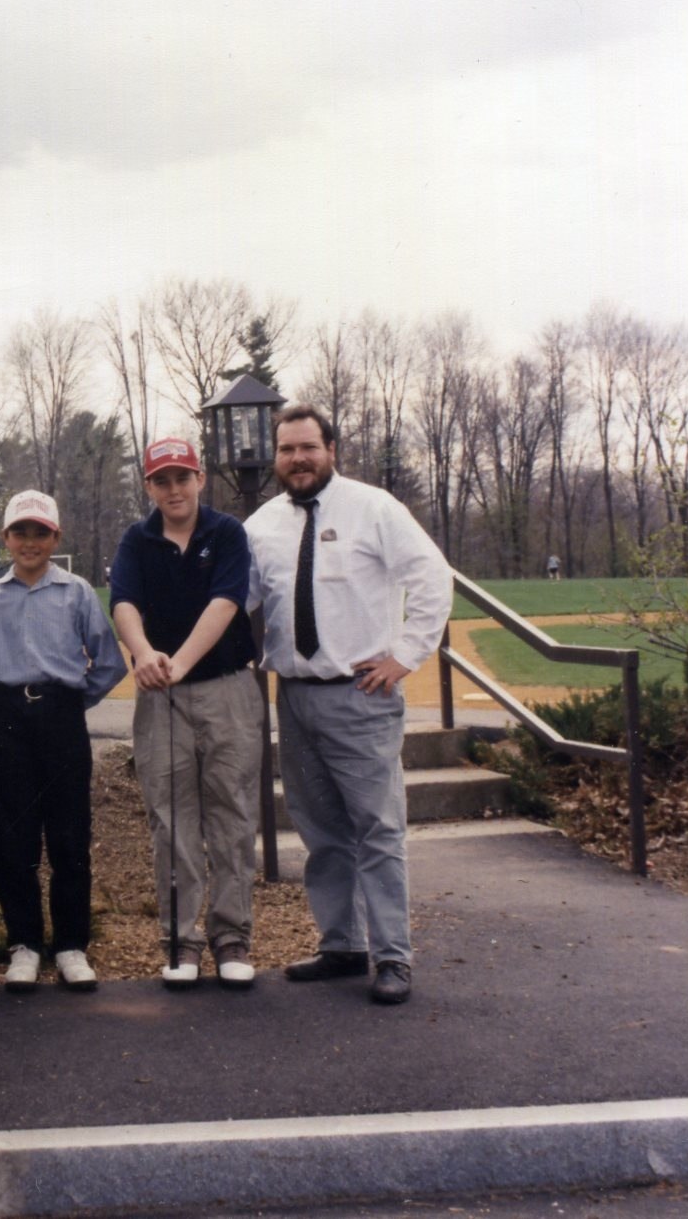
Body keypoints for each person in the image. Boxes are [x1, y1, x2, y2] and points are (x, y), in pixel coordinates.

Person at [243, 403, 451, 1007]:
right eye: (287, 450)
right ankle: (342, 944)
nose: (298, 459)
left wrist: (406, 655)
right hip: (297, 699)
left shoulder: (374, 508)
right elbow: (240, 600)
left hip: (362, 695)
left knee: (378, 830)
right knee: (322, 833)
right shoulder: (262, 526)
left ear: (331, 448)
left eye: (308, 447)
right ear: (277, 456)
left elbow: (433, 578)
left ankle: (393, 957)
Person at [109, 437, 264, 991]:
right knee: (171, 821)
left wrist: (179, 662)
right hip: (161, 697)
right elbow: (123, 601)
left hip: (226, 688)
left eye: (183, 477)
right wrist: (146, 653)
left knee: (232, 816)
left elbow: (226, 602)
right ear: (149, 486)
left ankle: (232, 938)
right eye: (161, 480)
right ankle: (181, 941)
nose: (173, 489)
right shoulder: (137, 538)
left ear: (200, 478)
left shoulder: (227, 533)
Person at [0, 491, 127, 994]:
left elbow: (107, 661)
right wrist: (4, 699)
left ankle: (70, 945)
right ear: (6, 539)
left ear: (55, 538)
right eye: (21, 533)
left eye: (41, 533)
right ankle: (23, 945)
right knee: (13, 838)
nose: (30, 542)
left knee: (68, 837)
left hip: (61, 717)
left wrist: (69, 703)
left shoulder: (76, 592)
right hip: (8, 720)